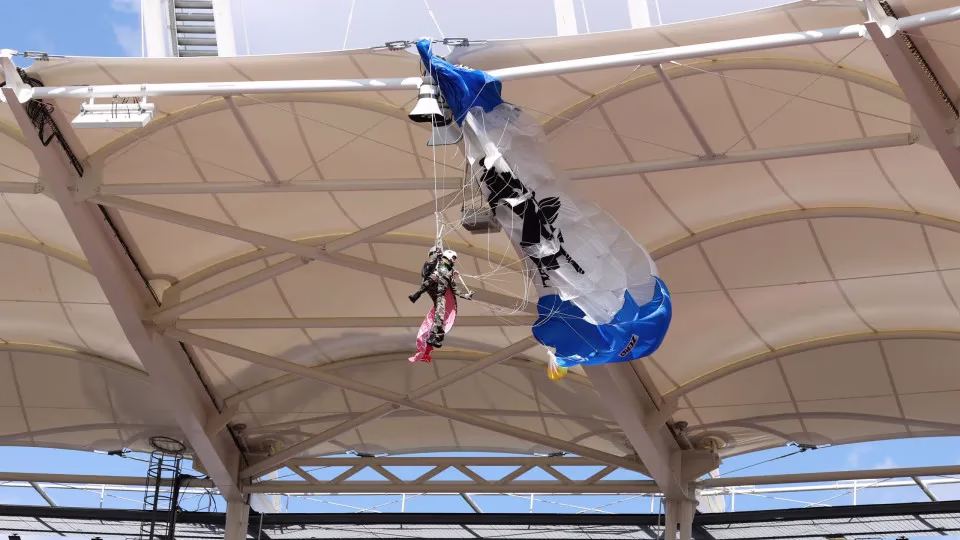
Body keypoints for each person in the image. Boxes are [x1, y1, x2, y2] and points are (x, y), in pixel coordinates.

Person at [410, 249, 473, 349]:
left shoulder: (450, 272)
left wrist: (466, 296)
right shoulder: (438, 263)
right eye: (453, 258)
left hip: (439, 294)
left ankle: (434, 337)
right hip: (432, 286)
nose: (454, 260)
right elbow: (430, 265)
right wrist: (436, 255)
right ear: (448, 256)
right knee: (433, 277)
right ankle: (416, 294)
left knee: (440, 314)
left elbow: (454, 289)